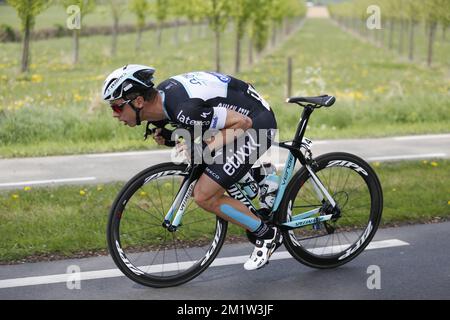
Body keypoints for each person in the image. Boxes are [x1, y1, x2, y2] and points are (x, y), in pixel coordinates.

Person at [102, 64, 282, 270]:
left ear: (139, 101)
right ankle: (261, 177)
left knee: (204, 195)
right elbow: (195, 123)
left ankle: (267, 235)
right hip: (237, 114)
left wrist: (205, 147)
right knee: (206, 163)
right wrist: (172, 137)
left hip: (255, 122)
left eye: (116, 107)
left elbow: (242, 122)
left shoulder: (182, 108)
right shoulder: (164, 101)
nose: (115, 114)